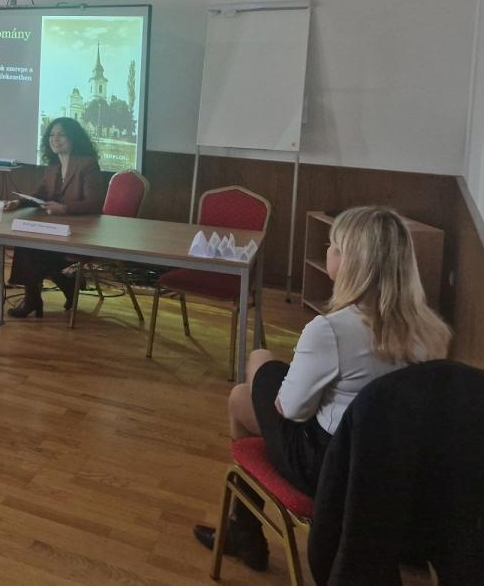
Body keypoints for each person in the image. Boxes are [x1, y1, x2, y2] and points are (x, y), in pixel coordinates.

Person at [192, 206, 453, 571]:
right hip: (395, 471)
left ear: (351, 263)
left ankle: (245, 530)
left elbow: (290, 410)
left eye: (334, 246)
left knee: (248, 383)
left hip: (329, 470)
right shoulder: (433, 332)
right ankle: (243, 528)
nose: (328, 251)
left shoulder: (330, 330)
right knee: (250, 382)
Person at [4, 117, 104, 318]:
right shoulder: (53, 166)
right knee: (25, 242)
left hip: (80, 232)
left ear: (73, 138)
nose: (55, 139)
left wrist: (64, 208)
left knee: (31, 251)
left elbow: (94, 203)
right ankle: (60, 286)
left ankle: (34, 299)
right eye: (51, 135)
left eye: (61, 135)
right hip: (56, 228)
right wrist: (19, 203)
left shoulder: (87, 164)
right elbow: (41, 193)